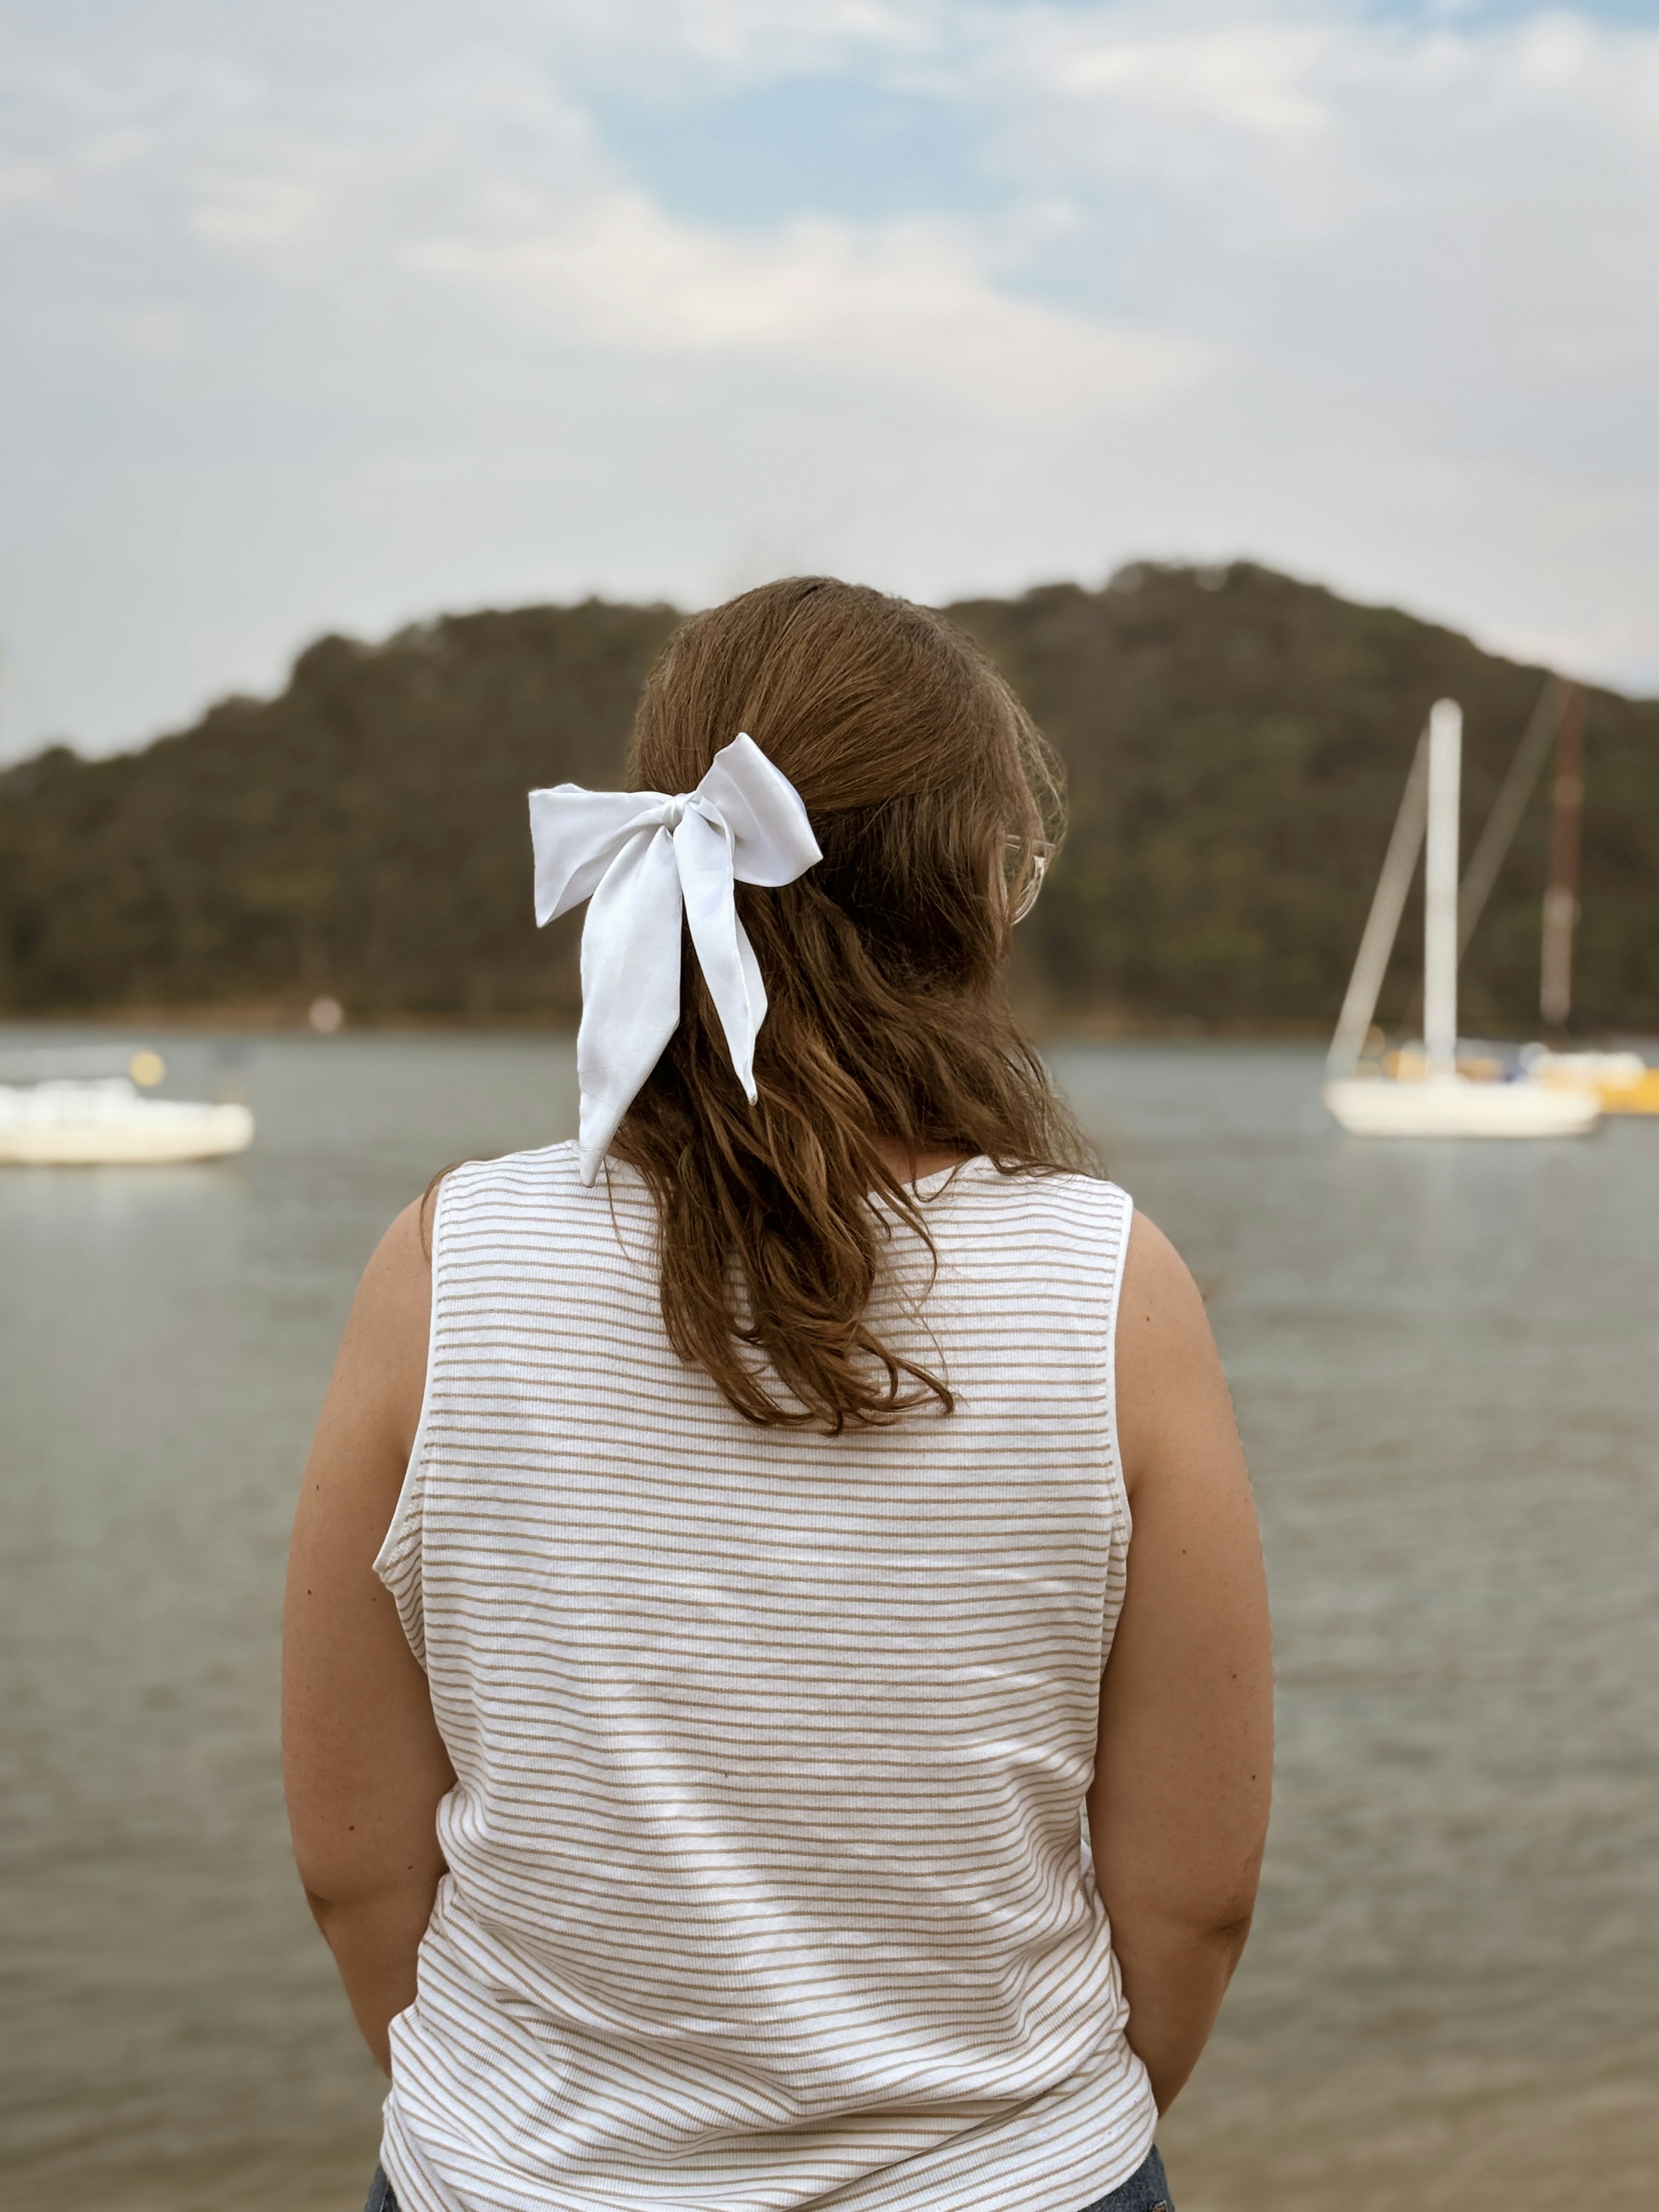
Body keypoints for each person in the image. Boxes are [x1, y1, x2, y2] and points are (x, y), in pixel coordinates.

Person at [282, 578, 1273, 2212]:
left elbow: (354, 1863)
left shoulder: (442, 1264)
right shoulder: (1113, 1286)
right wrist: (1008, 2155)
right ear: (973, 898)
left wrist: (529, 2131)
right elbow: (1191, 1904)